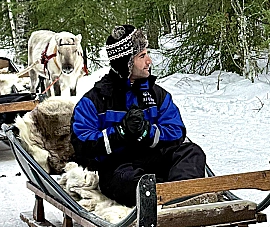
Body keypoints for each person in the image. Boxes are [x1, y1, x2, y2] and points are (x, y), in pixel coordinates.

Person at [70, 25, 206, 207]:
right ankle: (163, 195)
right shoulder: (93, 101)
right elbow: (82, 145)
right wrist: (120, 133)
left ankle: (180, 200)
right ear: (125, 62)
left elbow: (176, 132)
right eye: (142, 56)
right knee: (127, 180)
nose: (149, 61)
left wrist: (147, 132)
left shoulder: (157, 95)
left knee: (192, 152)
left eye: (146, 54)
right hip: (118, 167)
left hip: (153, 158)